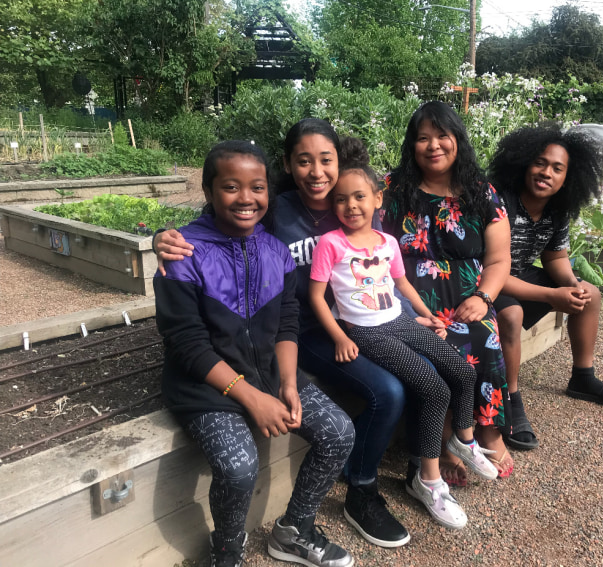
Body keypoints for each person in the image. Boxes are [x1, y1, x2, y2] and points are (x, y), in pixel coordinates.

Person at [153, 120, 413, 548]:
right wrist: (254, 398)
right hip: (205, 386)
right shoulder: (185, 255)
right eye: (230, 187)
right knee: (239, 468)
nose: (246, 198)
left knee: (340, 432)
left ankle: (294, 529)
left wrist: (287, 385)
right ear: (208, 192)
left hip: (272, 371)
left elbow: (288, 319)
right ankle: (229, 551)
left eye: (256, 188)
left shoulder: (276, 249)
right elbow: (186, 344)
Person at [310, 140, 499, 529]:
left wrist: (428, 316)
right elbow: (317, 298)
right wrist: (341, 336)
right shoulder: (331, 244)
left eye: (360, 196)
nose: (351, 206)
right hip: (365, 332)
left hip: (399, 320)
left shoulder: (388, 242)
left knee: (462, 371)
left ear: (378, 199)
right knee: (433, 388)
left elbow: (403, 285)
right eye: (341, 199)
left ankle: (464, 439)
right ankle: (428, 482)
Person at [382, 101, 514, 484]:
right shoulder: (393, 190)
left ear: (458, 140)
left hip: (468, 299)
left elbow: (498, 260)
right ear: (411, 145)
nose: (433, 145)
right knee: (435, 343)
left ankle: (487, 429)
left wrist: (483, 298)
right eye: (423, 138)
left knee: (484, 333)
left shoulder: (480, 193)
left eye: (442, 135)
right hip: (410, 298)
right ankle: (441, 439)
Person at [489, 124, 603, 452]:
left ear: (569, 177)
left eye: (558, 168)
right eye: (540, 163)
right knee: (511, 315)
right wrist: (550, 295)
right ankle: (510, 399)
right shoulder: (501, 202)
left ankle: (582, 378)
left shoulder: (557, 210)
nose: (546, 173)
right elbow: (492, 271)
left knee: (591, 293)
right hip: (488, 281)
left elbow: (555, 257)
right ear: (525, 163)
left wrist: (571, 284)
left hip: (522, 275)